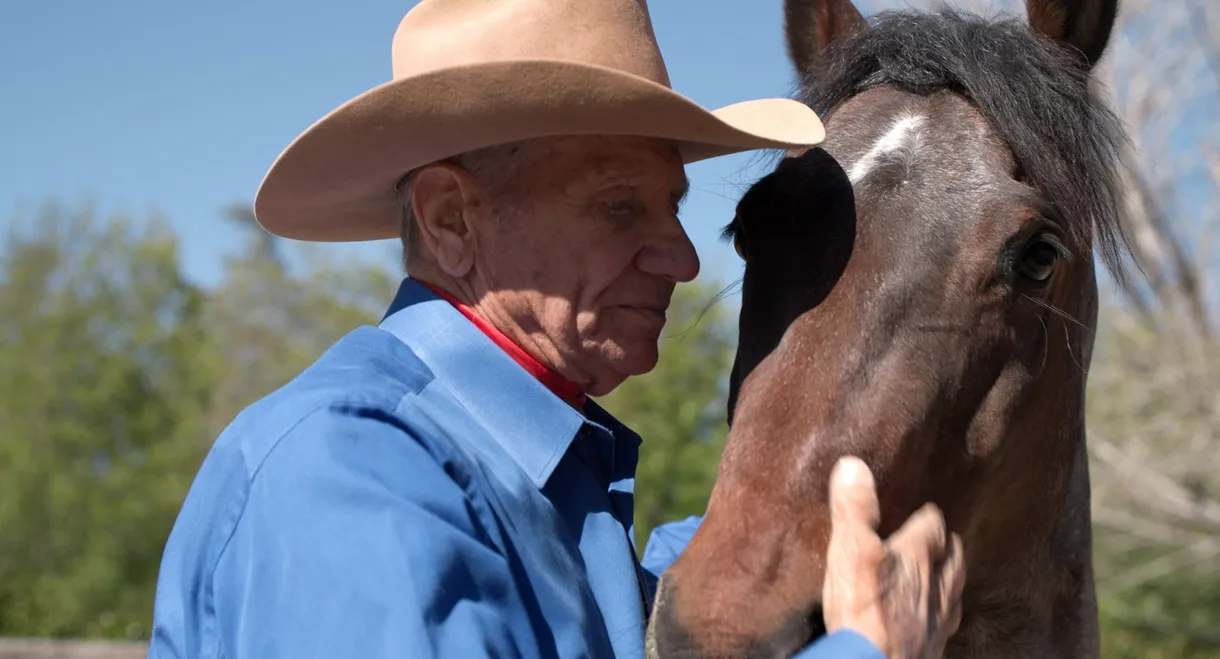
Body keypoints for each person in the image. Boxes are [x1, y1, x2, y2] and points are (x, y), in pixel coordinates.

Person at [147, 1, 964, 658]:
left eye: (672, 205)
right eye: (618, 205)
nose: (683, 259)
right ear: (450, 218)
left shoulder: (538, 478)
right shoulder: (347, 475)